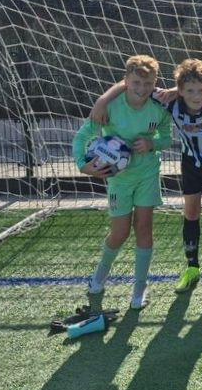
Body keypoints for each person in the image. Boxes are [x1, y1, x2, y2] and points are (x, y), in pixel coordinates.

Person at [91, 58, 202, 294]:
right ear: (180, 90)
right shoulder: (171, 102)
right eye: (189, 91)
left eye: (201, 90)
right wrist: (102, 101)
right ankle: (192, 268)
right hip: (191, 163)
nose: (196, 96)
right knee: (191, 211)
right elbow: (132, 85)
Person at [73, 54, 172, 309]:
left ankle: (139, 288)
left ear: (155, 83)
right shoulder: (110, 107)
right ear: (125, 80)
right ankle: (100, 275)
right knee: (120, 232)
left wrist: (152, 143)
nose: (142, 89)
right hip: (118, 179)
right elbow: (82, 137)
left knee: (144, 228)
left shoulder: (159, 108)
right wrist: (83, 165)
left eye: (148, 84)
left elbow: (166, 138)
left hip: (147, 173)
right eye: (136, 82)